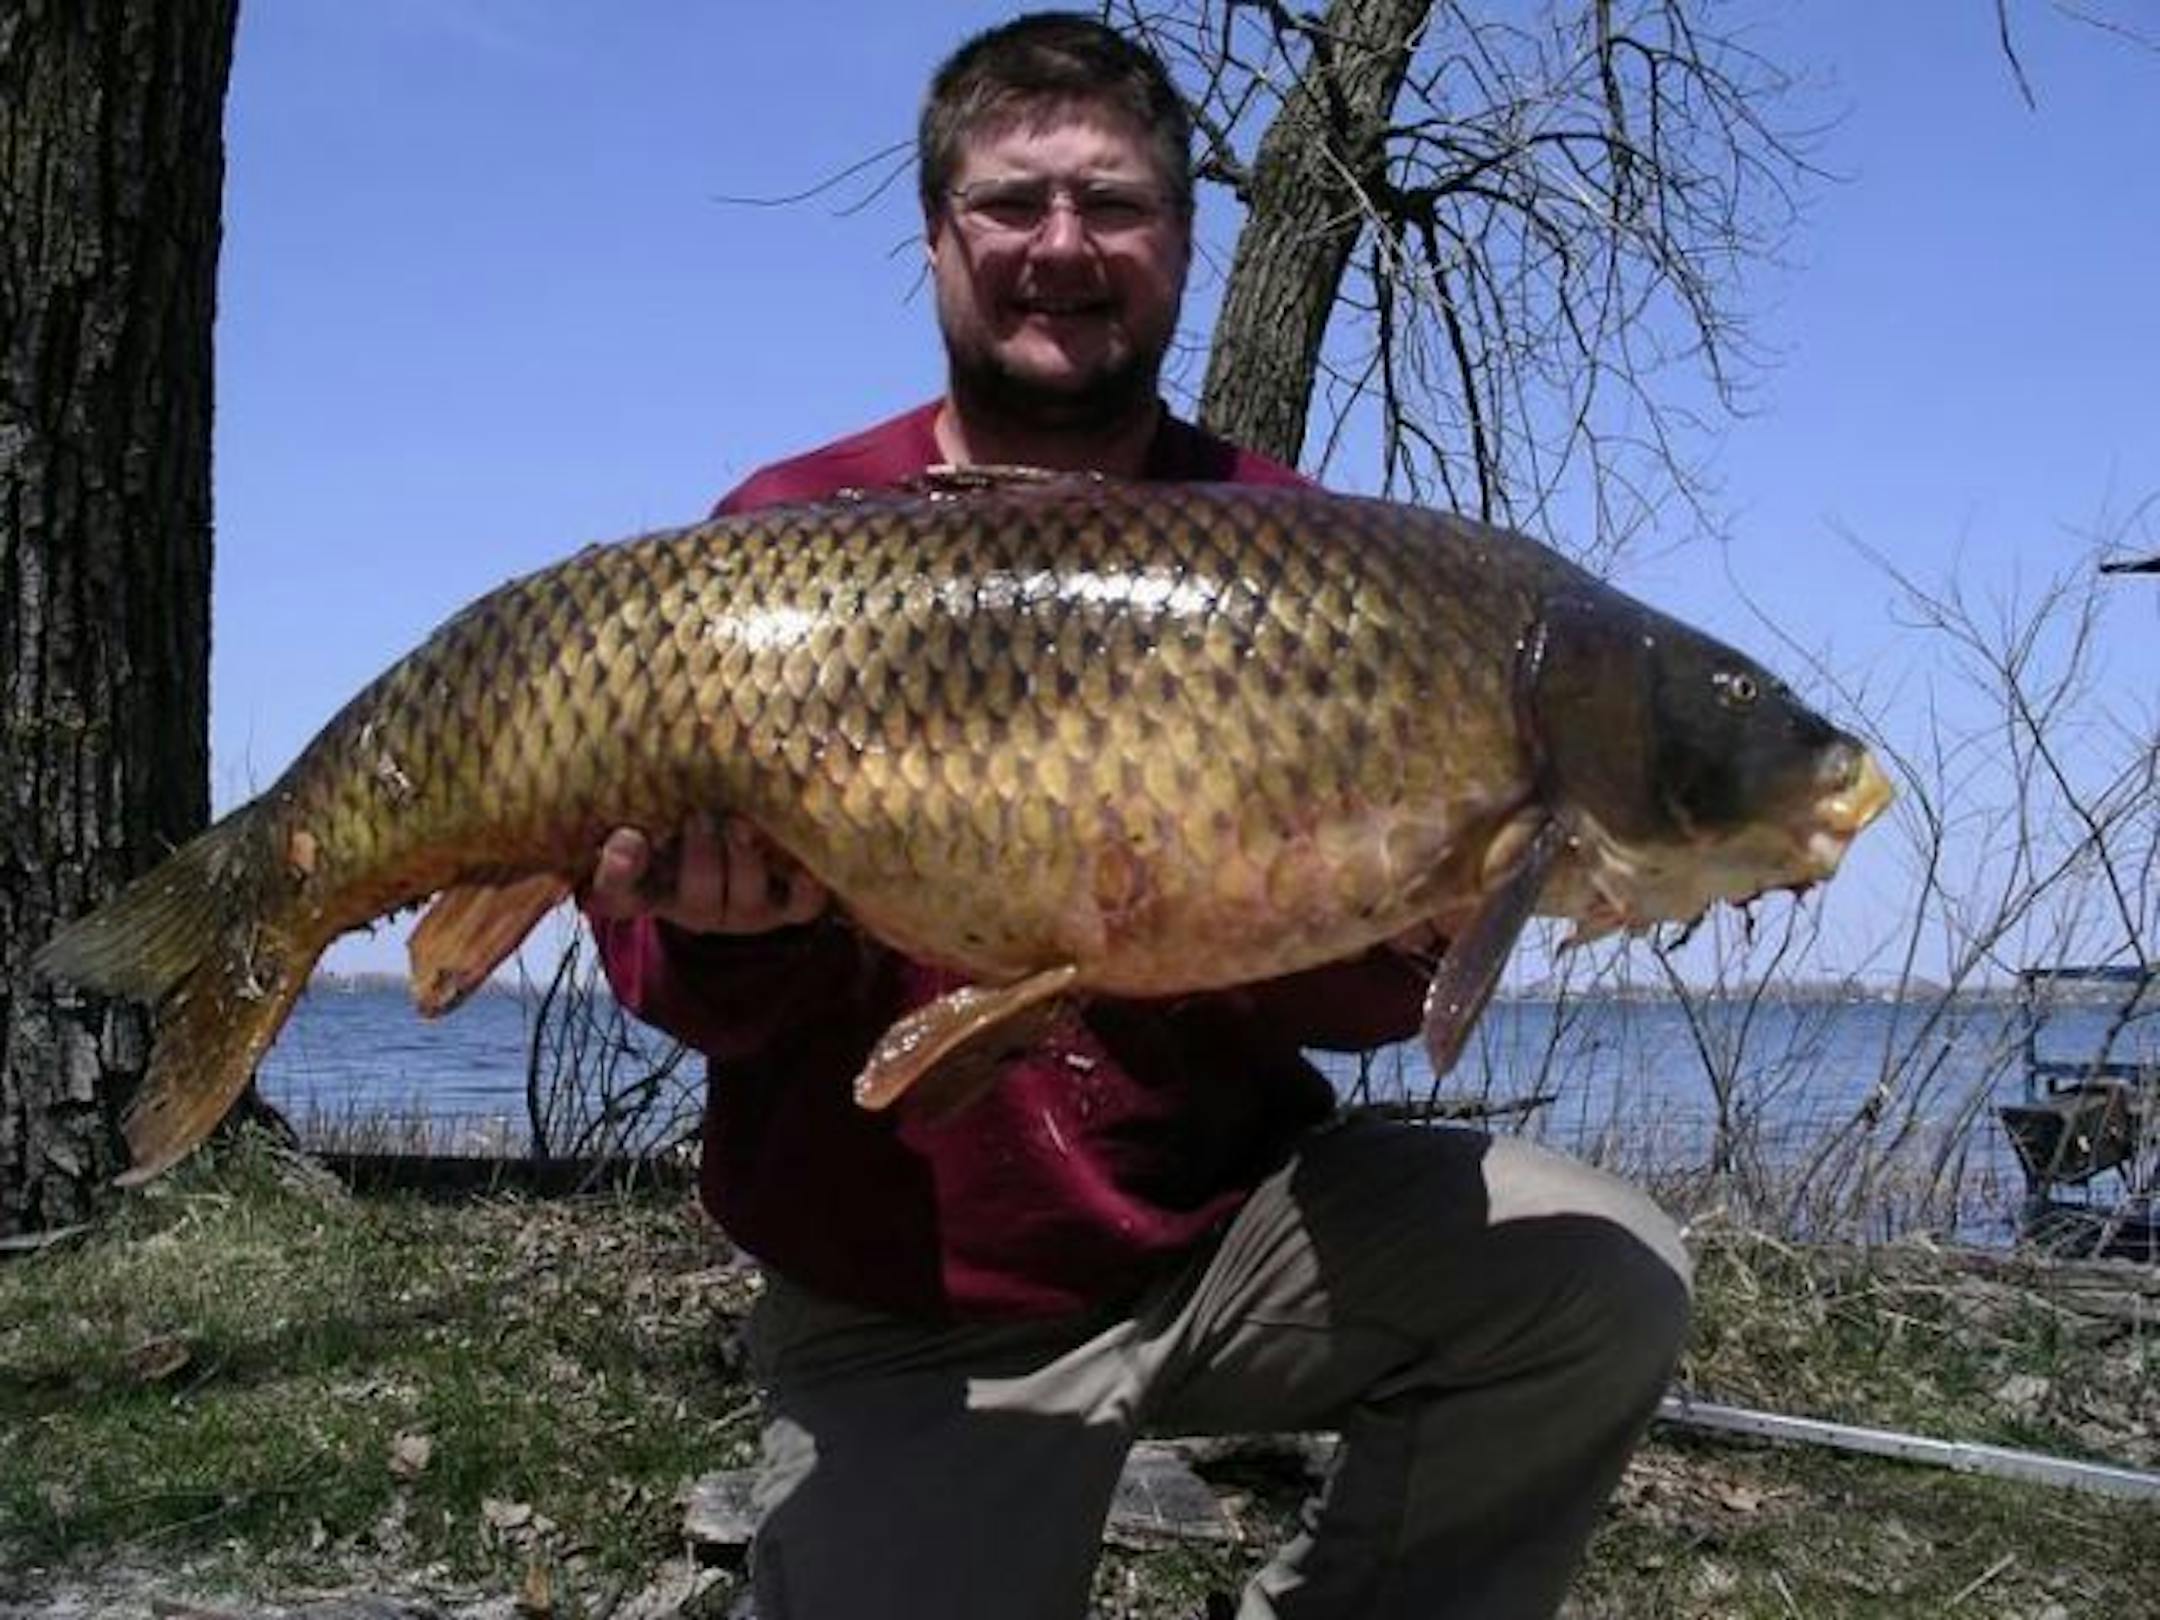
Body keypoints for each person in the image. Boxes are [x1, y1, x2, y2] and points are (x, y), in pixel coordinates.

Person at [585, 13, 1690, 1618]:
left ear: (1179, 243)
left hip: (1233, 1232)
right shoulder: (787, 542)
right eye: (1012, 204)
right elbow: (668, 981)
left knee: (1601, 1273)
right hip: (923, 1296)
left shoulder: (1301, 559)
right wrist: (721, 933)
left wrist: (1426, 918)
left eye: (1113, 207)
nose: (1062, 247)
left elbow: (1363, 1004)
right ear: (936, 239)